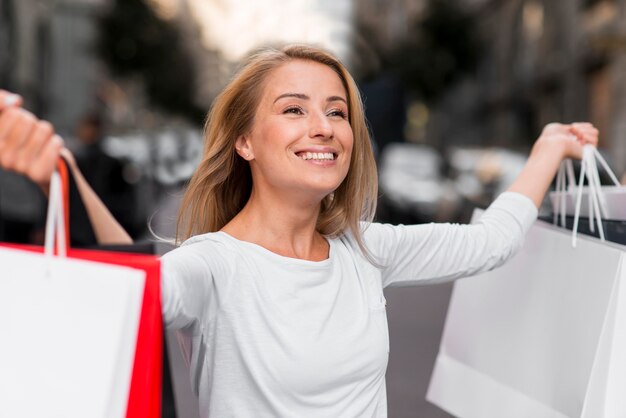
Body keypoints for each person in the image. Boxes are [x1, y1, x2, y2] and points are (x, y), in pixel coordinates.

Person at [0, 45, 598, 417]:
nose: (323, 127)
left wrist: (547, 149)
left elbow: (492, 242)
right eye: (293, 109)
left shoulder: (365, 249)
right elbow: (127, 287)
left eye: (336, 111)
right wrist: (63, 177)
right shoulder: (215, 266)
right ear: (244, 142)